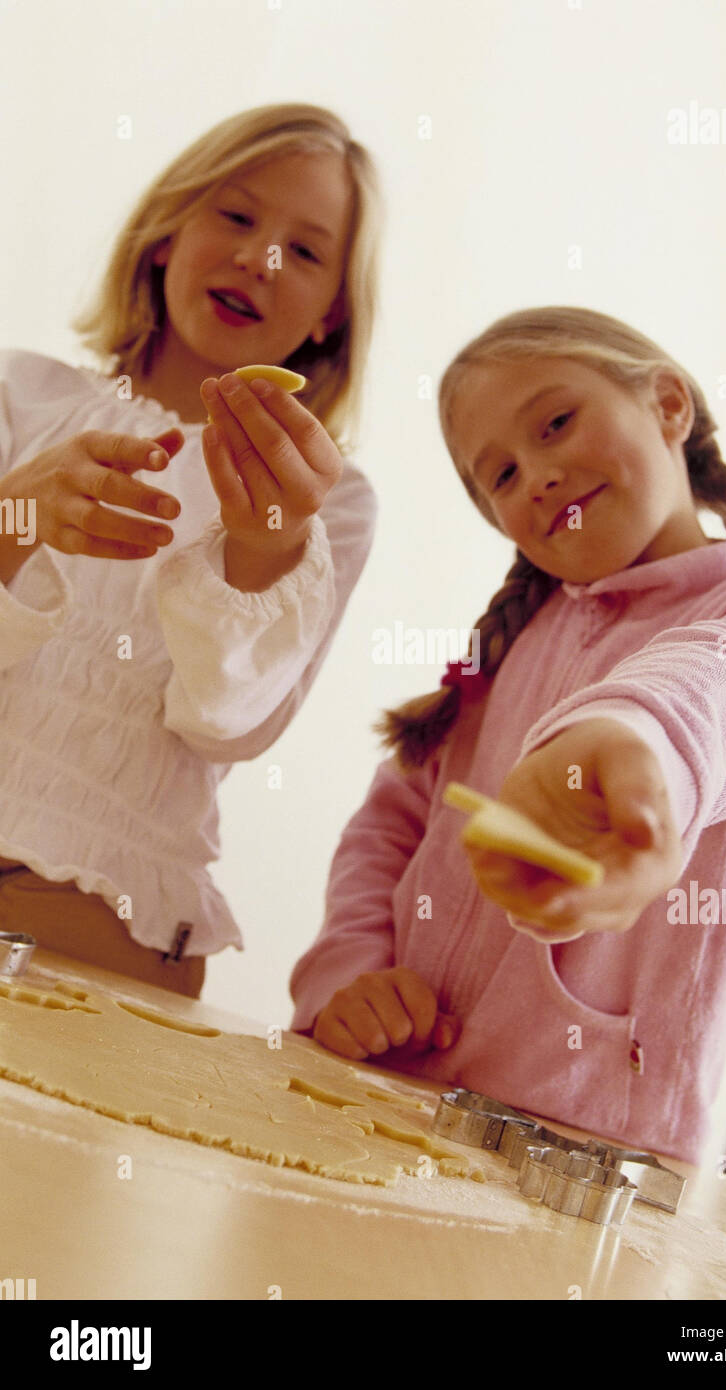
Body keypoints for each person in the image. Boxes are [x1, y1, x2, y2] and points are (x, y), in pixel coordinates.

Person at [289, 306, 726, 1164]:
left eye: (557, 424)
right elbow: (388, 829)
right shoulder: (511, 645)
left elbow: (720, 689)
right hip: (379, 1102)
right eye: (503, 476)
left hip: (578, 1163)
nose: (539, 476)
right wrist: (349, 975)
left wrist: (633, 749)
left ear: (668, 405)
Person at [0, 104, 382, 998]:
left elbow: (227, 726)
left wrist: (263, 552)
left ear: (330, 315)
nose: (261, 257)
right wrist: (13, 520)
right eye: (238, 216)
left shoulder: (329, 503)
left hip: (103, 921)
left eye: (308, 250)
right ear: (168, 233)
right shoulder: (20, 395)